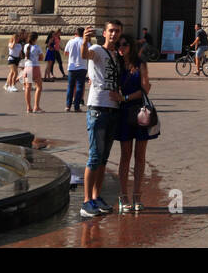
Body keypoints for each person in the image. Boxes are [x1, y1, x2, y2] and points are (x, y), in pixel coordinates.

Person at [81, 21, 124, 218]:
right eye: (111, 31)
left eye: (117, 31)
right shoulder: (97, 49)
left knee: (104, 159)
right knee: (94, 156)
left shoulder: (116, 55)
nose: (114, 34)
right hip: (97, 108)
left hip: (113, 109)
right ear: (105, 33)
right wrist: (84, 41)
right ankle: (86, 202)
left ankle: (97, 197)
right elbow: (85, 55)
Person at [114, 37, 156, 212]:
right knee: (125, 155)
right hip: (123, 114)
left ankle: (137, 195)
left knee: (140, 156)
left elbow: (146, 88)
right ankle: (123, 196)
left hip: (139, 111)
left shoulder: (140, 64)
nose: (121, 48)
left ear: (131, 47)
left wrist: (125, 97)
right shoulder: (115, 64)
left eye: (125, 44)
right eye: (118, 45)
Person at [65, 27, 87, 112]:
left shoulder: (71, 41)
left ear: (76, 33)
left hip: (71, 67)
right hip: (82, 67)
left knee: (70, 87)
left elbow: (66, 53)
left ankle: (68, 105)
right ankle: (77, 106)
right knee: (79, 87)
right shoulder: (85, 42)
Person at [22, 31, 44, 113]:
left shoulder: (25, 46)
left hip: (27, 67)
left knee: (28, 87)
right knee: (39, 87)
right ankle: (36, 106)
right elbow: (41, 58)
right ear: (36, 39)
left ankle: (28, 107)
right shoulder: (37, 47)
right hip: (35, 67)